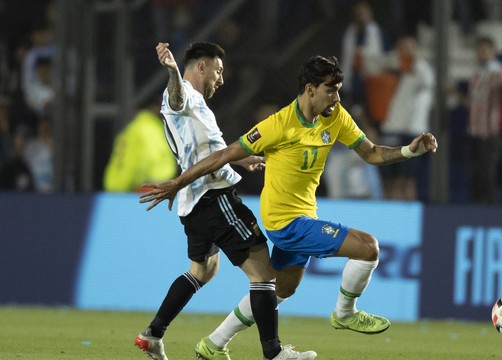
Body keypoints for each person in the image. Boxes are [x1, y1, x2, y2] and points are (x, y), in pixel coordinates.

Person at [139, 55, 438, 353]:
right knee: (368, 247)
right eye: (330, 90)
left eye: (338, 90)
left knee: (281, 288)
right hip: (285, 222)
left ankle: (214, 343)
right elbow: (222, 155)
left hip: (305, 214)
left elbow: (371, 153)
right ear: (310, 89)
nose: (336, 97)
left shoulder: (335, 116)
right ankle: (345, 314)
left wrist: (409, 151)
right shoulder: (277, 125)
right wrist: (178, 183)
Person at [133, 42, 316, 360]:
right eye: (218, 71)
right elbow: (176, 96)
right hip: (214, 198)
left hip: (194, 203)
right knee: (263, 274)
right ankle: (273, 352)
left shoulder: (199, 107)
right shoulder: (185, 94)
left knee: (203, 270)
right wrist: (174, 72)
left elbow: (207, 150)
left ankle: (153, 334)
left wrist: (239, 161)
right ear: (200, 67)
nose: (221, 79)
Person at [451, 36, 502, 203]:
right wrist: (455, 94)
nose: (481, 54)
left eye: (485, 50)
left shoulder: (498, 72)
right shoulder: (477, 75)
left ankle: (490, 213)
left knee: (488, 176)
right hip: (474, 131)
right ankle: (475, 212)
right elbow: (473, 104)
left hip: (490, 133)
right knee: (474, 177)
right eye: (479, 50)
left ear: (492, 52)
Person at [378, 36, 435, 200]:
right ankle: (389, 215)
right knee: (389, 179)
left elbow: (427, 81)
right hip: (391, 128)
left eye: (409, 48)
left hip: (413, 131)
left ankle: (408, 217)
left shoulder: (423, 70)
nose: (405, 52)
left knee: (408, 179)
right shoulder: (390, 68)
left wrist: (413, 62)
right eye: (402, 48)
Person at [103, 99, 177, 192]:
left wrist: (118, 188)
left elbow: (127, 162)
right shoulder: (155, 128)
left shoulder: (135, 129)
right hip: (157, 186)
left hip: (139, 189)